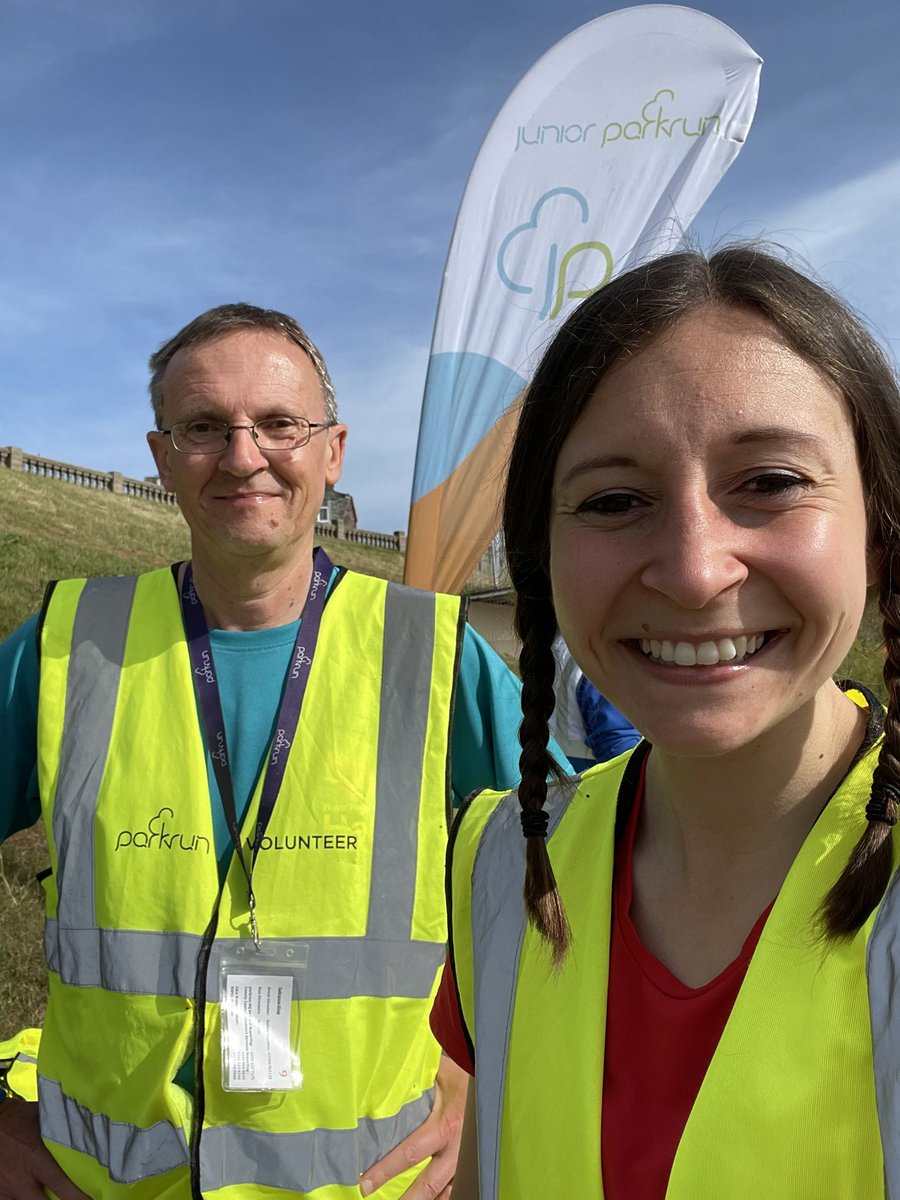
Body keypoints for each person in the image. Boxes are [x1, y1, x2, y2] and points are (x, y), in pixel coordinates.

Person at [0, 303, 571, 1200]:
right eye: (203, 427)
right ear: (161, 458)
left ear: (332, 451)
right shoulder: (67, 645)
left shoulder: (431, 654)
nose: (243, 456)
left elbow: (573, 894)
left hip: (363, 1185)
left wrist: (484, 1074)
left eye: (279, 424)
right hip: (102, 1184)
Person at [433, 246, 900, 1198]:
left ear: (880, 532)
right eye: (614, 500)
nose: (693, 572)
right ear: (542, 556)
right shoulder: (501, 865)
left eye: (771, 482)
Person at [548, 634, 640, 770]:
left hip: (556, 771)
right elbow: (620, 754)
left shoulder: (554, 648)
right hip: (592, 775)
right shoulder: (600, 659)